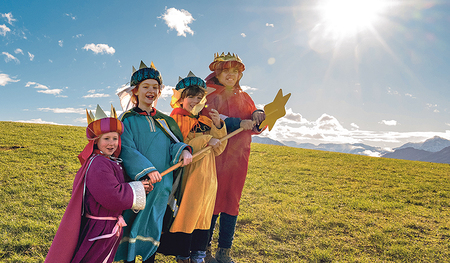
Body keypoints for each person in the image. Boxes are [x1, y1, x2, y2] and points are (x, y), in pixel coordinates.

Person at [45, 105, 149, 263]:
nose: (111, 143)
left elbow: (119, 185)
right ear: (96, 141)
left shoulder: (110, 161)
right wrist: (137, 189)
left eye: (115, 138)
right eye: (106, 139)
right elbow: (111, 195)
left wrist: (140, 186)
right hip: (100, 228)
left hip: (107, 227)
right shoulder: (98, 163)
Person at [114, 61, 193, 263]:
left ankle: (149, 259)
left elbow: (172, 144)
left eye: (155, 87)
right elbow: (127, 149)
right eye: (146, 87)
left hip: (162, 187)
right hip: (141, 185)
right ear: (135, 91)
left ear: (159, 92)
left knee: (154, 226)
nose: (151, 91)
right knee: (133, 224)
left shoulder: (166, 121)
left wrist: (183, 151)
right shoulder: (127, 120)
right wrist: (146, 171)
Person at [201, 53, 266, 263]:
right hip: (217, 153)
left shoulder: (245, 97)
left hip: (239, 156)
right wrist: (238, 123)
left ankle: (224, 251)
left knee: (232, 200)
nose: (231, 75)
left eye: (235, 72)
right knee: (213, 198)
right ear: (218, 73)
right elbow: (209, 117)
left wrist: (258, 113)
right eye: (226, 71)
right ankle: (205, 248)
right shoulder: (209, 93)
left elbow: (256, 125)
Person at [157, 72, 227, 263]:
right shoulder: (175, 120)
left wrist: (218, 125)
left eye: (199, 97)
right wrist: (206, 139)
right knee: (189, 211)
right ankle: (183, 253)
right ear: (180, 100)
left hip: (209, 177)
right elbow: (179, 144)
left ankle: (198, 253)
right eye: (191, 96)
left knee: (204, 213)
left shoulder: (206, 121)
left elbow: (219, 148)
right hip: (190, 175)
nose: (195, 100)